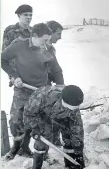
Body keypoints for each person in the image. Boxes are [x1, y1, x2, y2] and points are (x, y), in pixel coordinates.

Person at [1, 23, 63, 160]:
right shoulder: (18, 45)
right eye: (44, 40)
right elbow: (3, 60)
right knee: (16, 121)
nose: (47, 43)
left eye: (48, 39)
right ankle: (18, 147)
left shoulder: (48, 50)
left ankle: (41, 153)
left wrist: (60, 87)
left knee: (42, 123)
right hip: (22, 89)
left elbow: (57, 71)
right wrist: (14, 75)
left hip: (41, 92)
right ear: (34, 36)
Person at [23, 85, 85, 169]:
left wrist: (79, 152)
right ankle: (36, 166)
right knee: (43, 137)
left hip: (63, 116)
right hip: (43, 115)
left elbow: (77, 130)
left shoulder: (74, 105)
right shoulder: (42, 96)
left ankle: (71, 163)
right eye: (71, 107)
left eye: (75, 107)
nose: (73, 109)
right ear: (63, 100)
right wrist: (35, 129)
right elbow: (28, 113)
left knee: (70, 135)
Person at [45, 20, 66, 147]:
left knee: (56, 110)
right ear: (50, 33)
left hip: (48, 85)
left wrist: (60, 86)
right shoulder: (37, 47)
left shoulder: (51, 49)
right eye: (58, 34)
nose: (60, 37)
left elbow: (54, 69)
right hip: (36, 87)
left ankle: (53, 139)